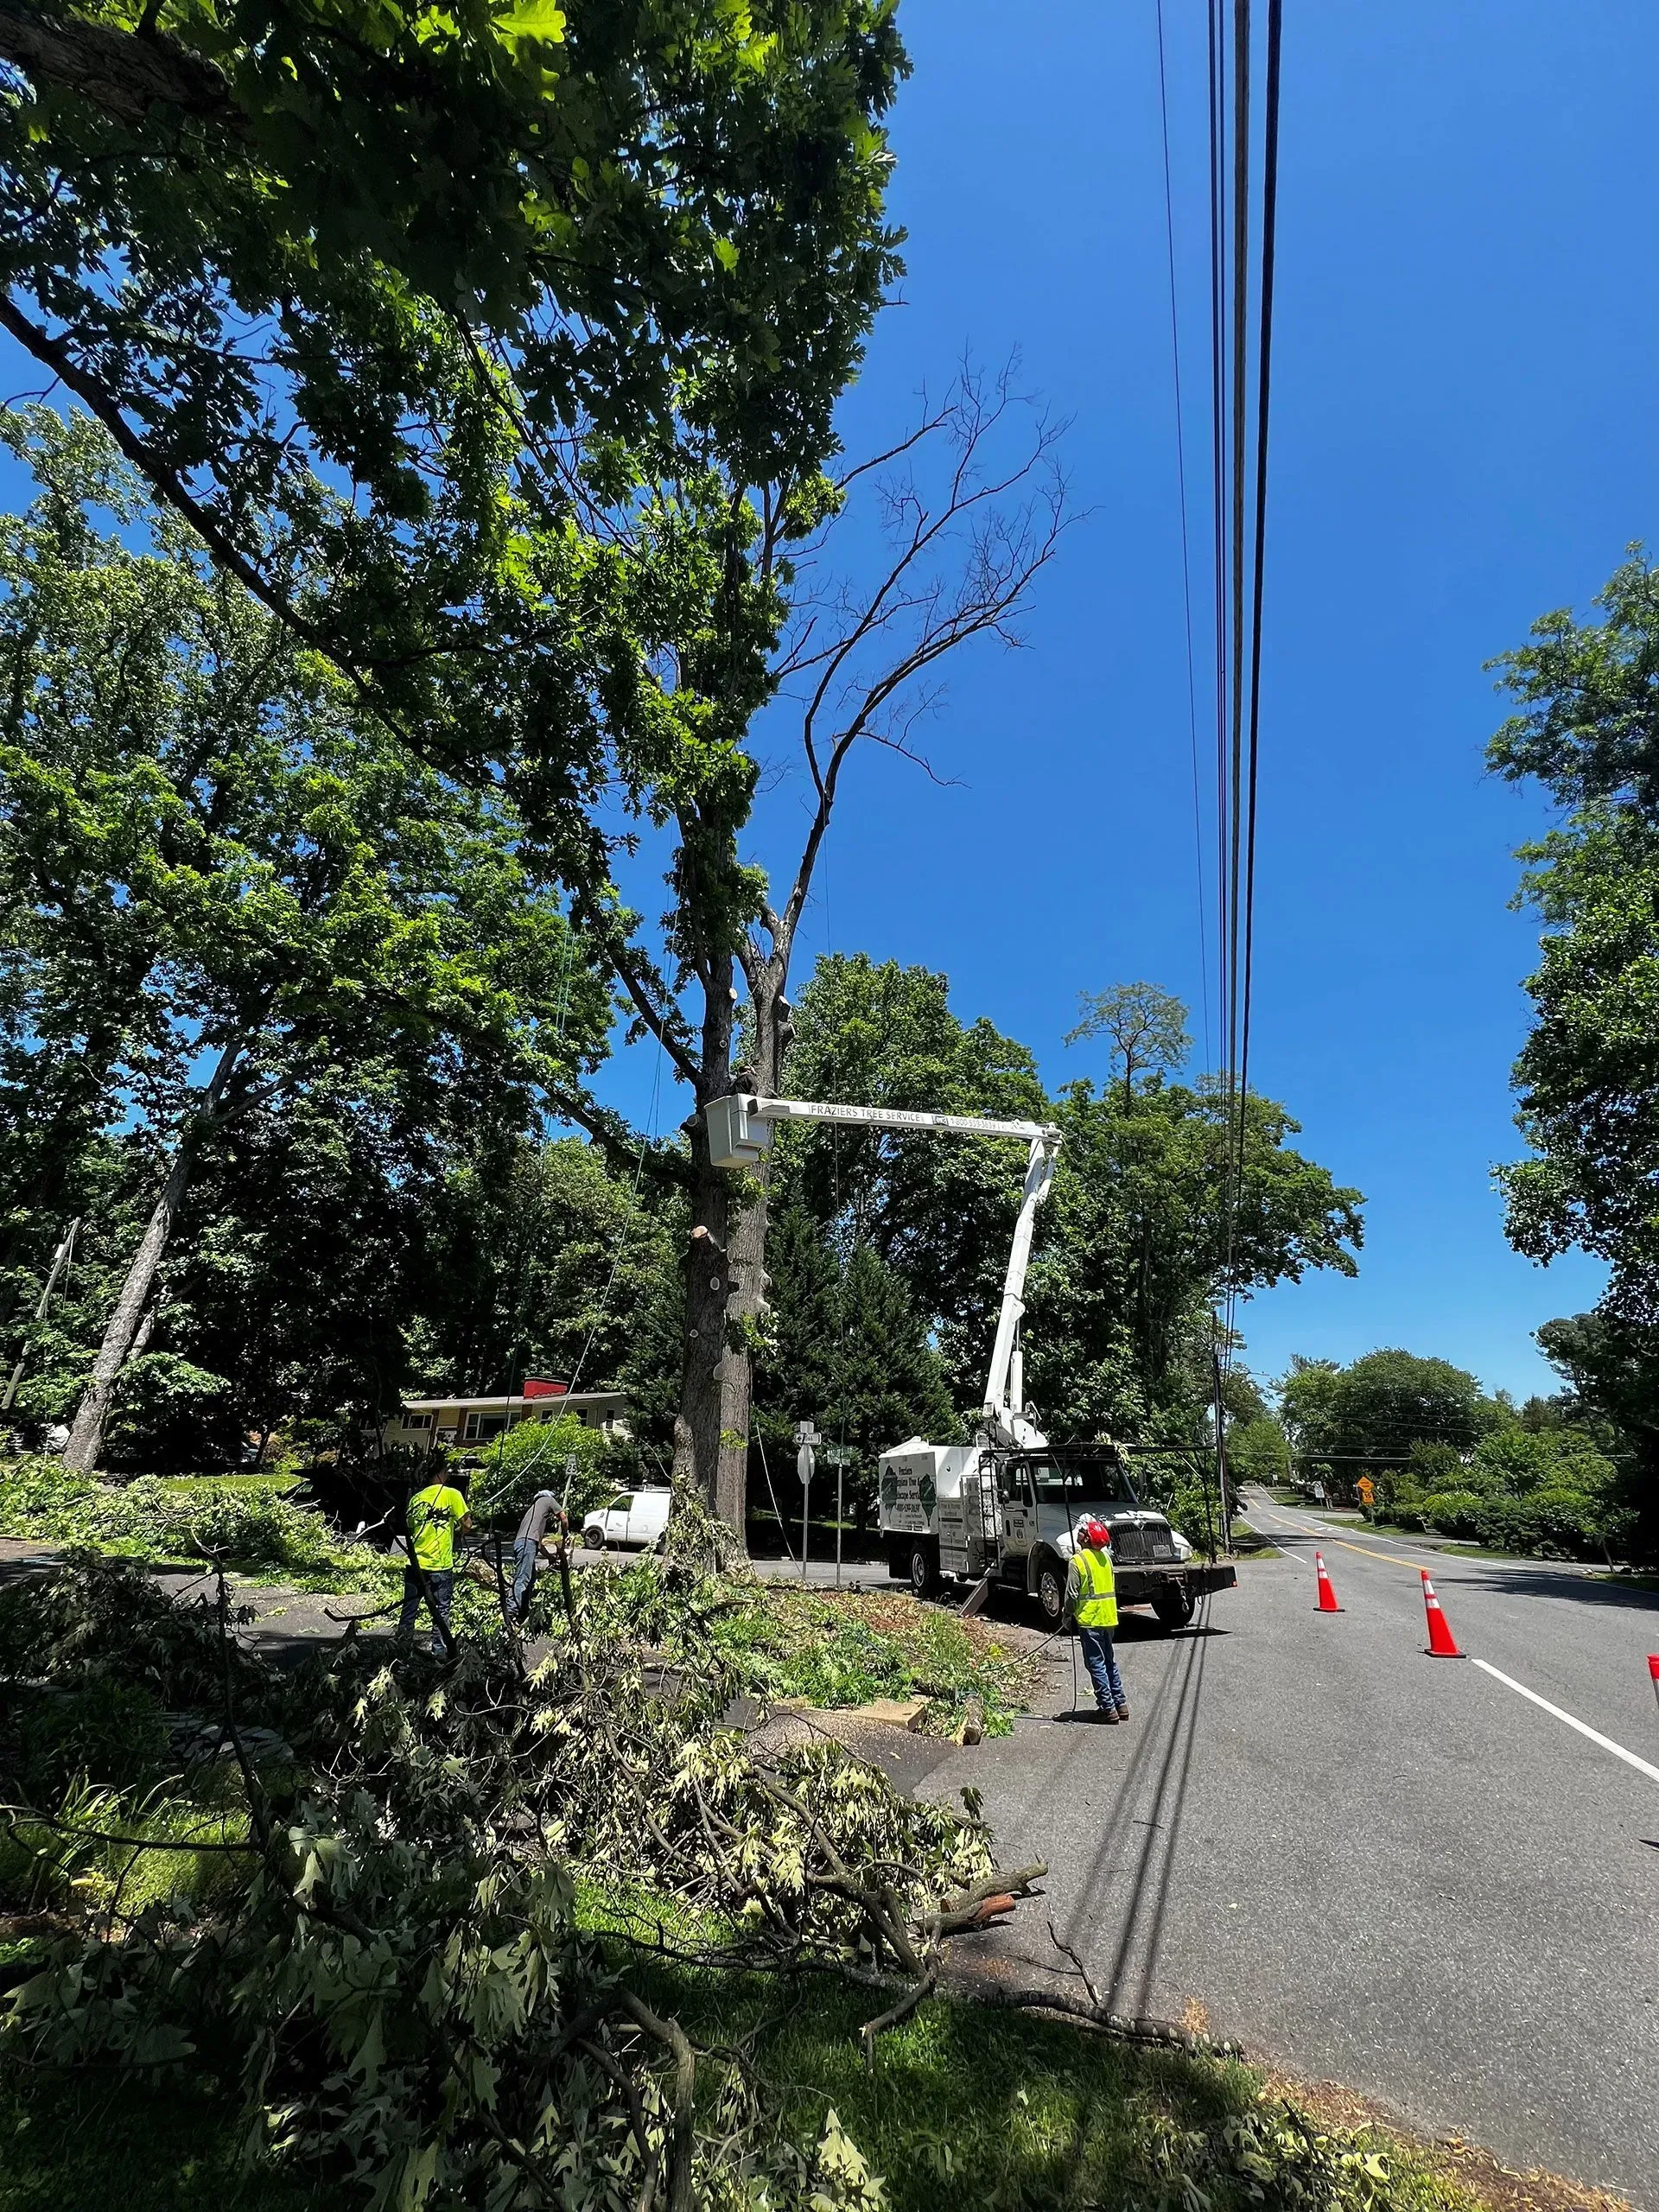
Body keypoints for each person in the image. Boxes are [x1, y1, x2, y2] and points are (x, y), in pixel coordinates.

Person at [397, 1467, 473, 1656]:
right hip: (440, 1565)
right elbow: (467, 1524)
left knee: (409, 1610)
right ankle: (439, 1653)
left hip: (416, 1564)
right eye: (446, 1472)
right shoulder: (452, 1494)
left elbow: (411, 1528)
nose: (448, 1475)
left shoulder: (417, 1498)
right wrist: (457, 1534)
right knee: (440, 1611)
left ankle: (401, 1650)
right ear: (439, 1475)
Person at [1066, 1516, 1128, 1723]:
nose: (1077, 1535)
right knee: (1109, 1662)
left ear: (1085, 1538)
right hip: (1108, 1618)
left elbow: (1071, 1595)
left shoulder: (1078, 1561)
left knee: (1096, 1664)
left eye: (1080, 1532)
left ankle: (1107, 1708)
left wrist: (1066, 1615)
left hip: (1090, 1620)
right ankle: (1121, 1704)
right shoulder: (1106, 1559)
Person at [509, 1488, 566, 1622]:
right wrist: (565, 1534)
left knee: (531, 1578)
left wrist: (550, 1557)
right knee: (523, 1578)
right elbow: (563, 1518)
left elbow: (538, 1545)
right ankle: (511, 1612)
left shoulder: (535, 1511)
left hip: (523, 1543)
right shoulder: (548, 1500)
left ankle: (523, 1612)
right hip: (526, 1544)